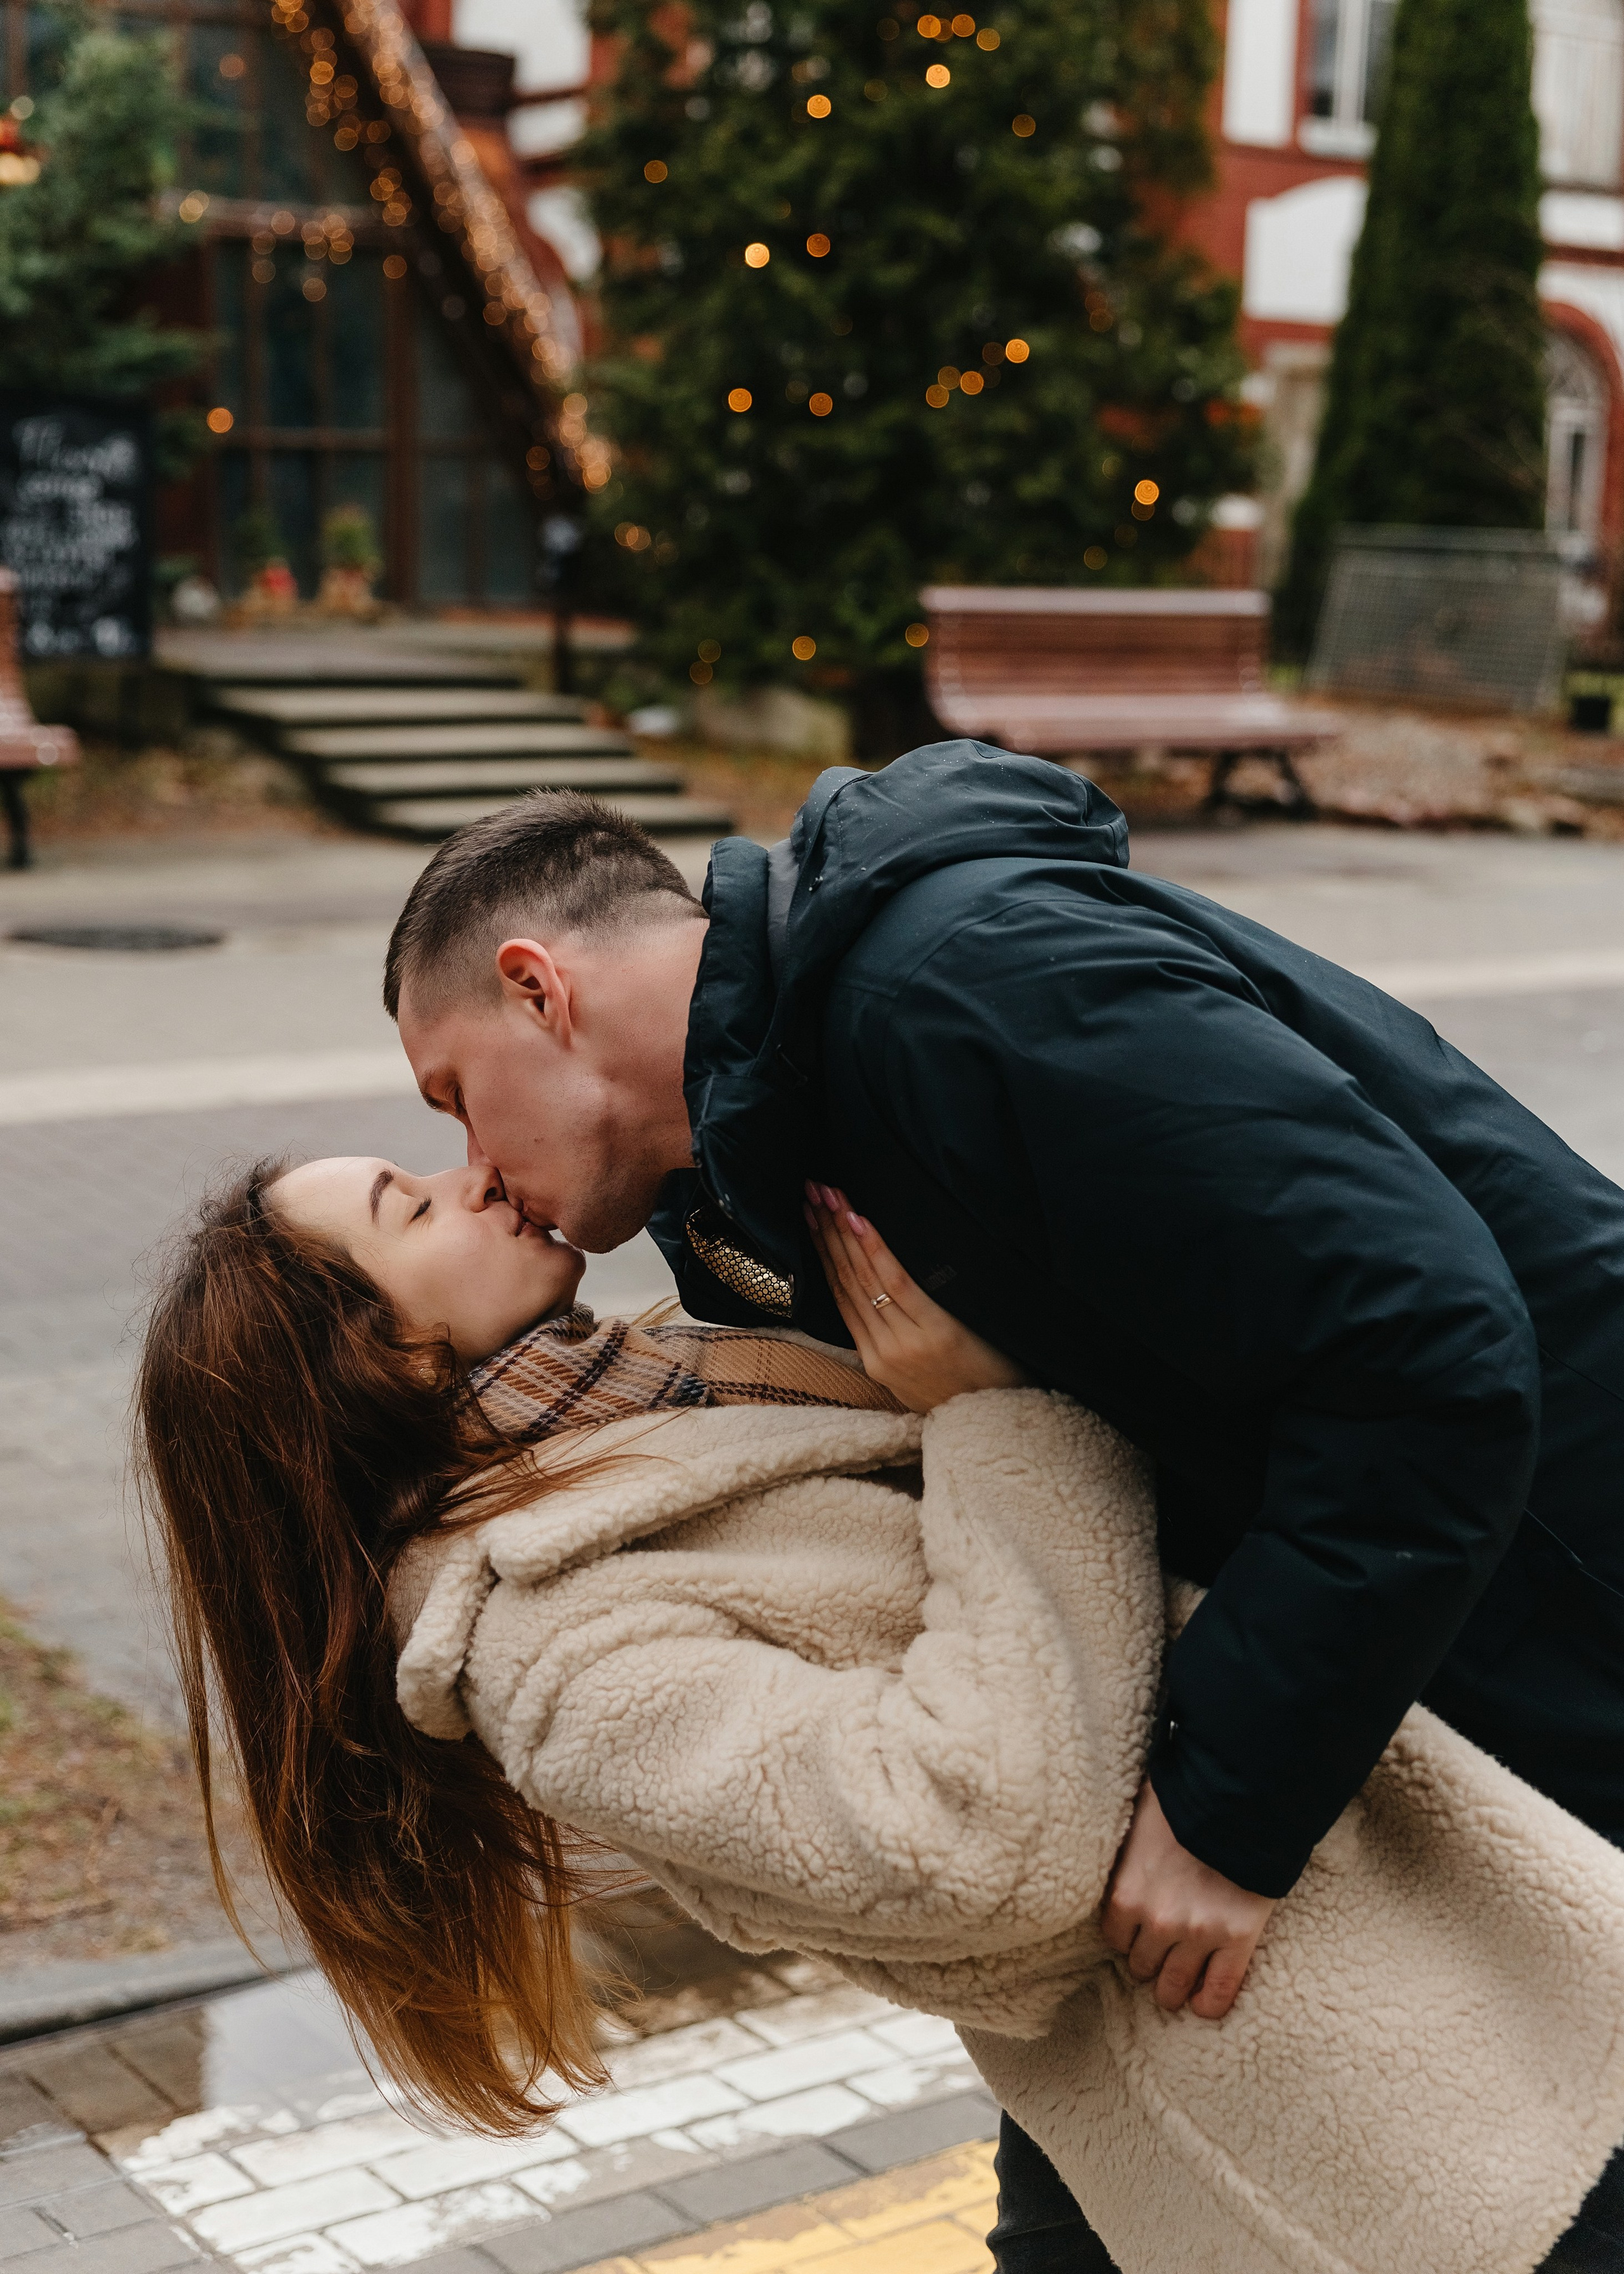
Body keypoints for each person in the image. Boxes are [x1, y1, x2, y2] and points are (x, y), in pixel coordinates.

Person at [380, 752, 1624, 2263]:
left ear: (538, 988)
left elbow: (1425, 1348)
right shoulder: (755, 1170)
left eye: (454, 1095)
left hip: (1561, 1583)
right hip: (1377, 1668)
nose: (473, 1164)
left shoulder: (967, 986)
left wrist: (1229, 1811)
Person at [137, 1151, 1624, 2274]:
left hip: (1440, 1937)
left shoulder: (665, 1384)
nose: (472, 1175)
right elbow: (962, 1842)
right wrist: (991, 1423)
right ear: (385, 1355)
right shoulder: (549, 1655)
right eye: (414, 1206)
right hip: (1374, 2111)